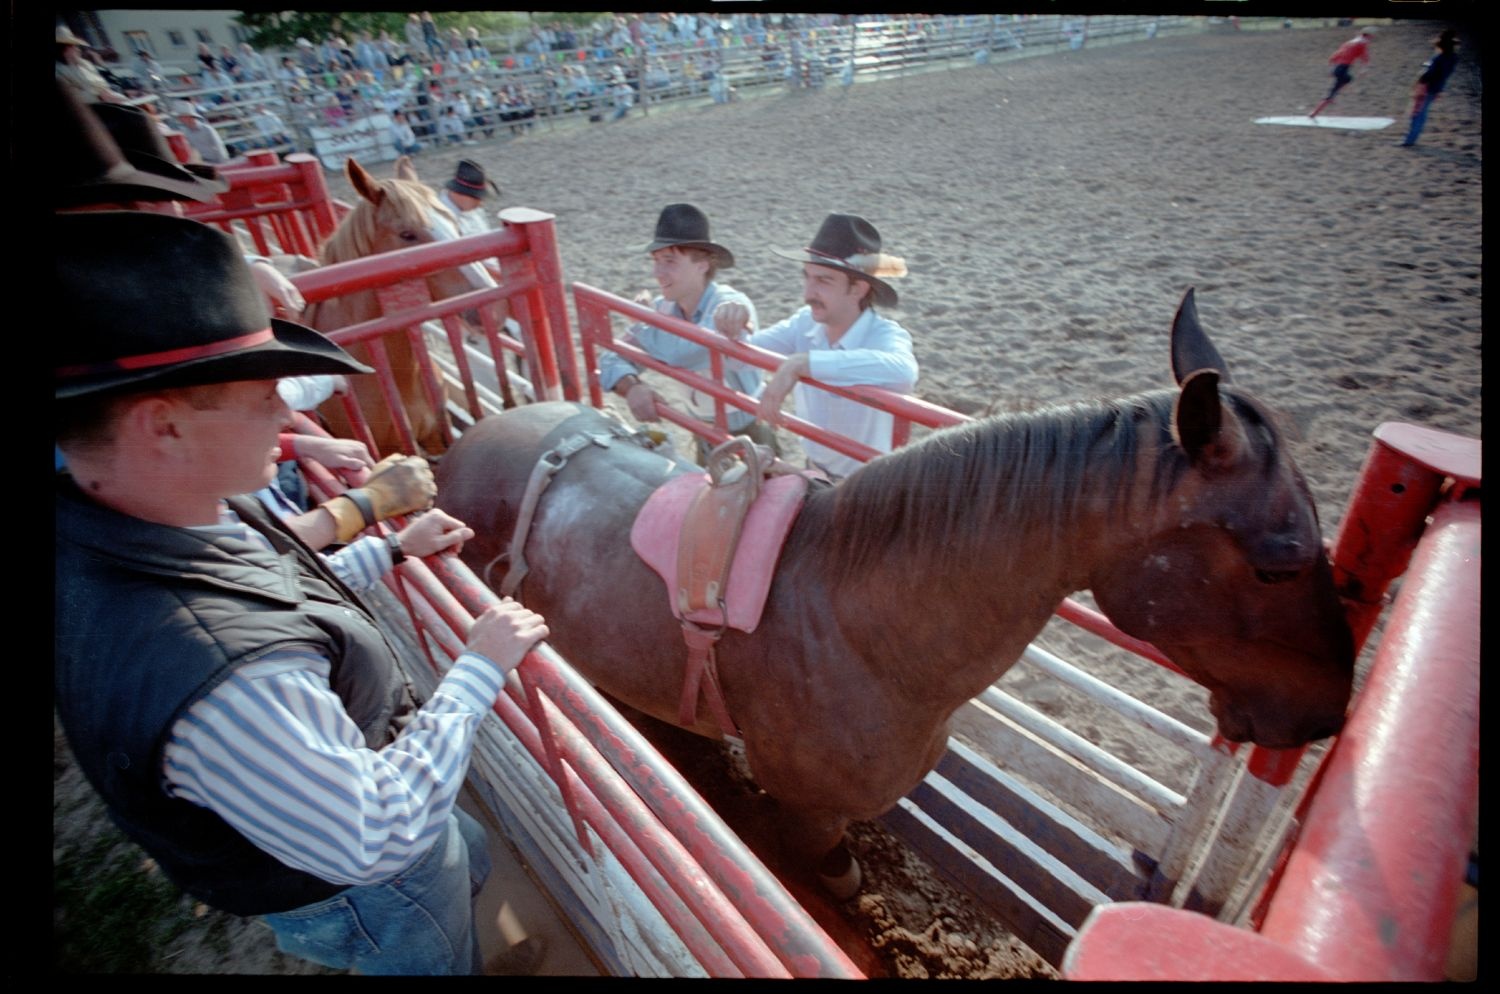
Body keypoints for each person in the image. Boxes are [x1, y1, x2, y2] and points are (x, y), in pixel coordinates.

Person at [54, 209, 552, 976]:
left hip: (347, 810)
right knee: (428, 943)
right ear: (164, 428)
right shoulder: (224, 680)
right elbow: (378, 834)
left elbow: (274, 595)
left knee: (463, 856)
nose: (289, 418)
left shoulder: (164, 516)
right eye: (263, 398)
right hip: (365, 883)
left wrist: (386, 549)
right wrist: (479, 666)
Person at [713, 213, 918, 480]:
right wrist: (734, 328)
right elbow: (741, 361)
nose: (808, 293)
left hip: (867, 484)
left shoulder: (885, 334)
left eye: (823, 281)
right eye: (807, 277)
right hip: (812, 469)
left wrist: (803, 363)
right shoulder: (804, 322)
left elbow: (904, 372)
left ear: (858, 288)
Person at [600, 204, 777, 464]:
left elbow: (683, 352)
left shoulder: (728, 306)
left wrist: (642, 323)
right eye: (656, 261)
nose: (657, 273)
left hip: (748, 434)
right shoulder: (663, 307)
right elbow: (610, 357)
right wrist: (632, 387)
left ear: (703, 265)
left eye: (669, 261)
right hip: (702, 429)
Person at [1401, 29, 1460, 147]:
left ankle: (1409, 140)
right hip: (1438, 87)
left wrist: (1420, 81)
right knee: (1422, 112)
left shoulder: (1439, 58)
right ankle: (1412, 139)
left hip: (1427, 86)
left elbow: (1430, 73)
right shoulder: (1453, 58)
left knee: (1417, 113)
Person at [1310, 28, 1373, 118]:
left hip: (1338, 69)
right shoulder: (1362, 43)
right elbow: (1365, 57)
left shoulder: (1347, 43)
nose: (1369, 41)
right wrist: (1364, 69)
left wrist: (1332, 67)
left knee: (1345, 81)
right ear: (1367, 36)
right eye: (1369, 38)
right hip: (1343, 69)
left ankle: (1314, 112)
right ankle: (1330, 98)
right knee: (1346, 80)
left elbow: (1335, 56)